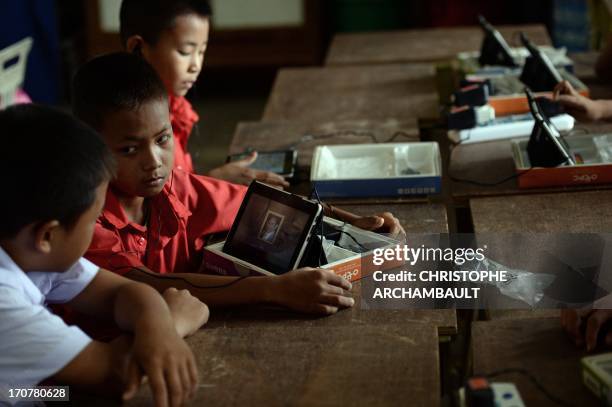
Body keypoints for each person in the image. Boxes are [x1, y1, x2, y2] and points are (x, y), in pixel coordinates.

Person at [72, 52, 404, 315]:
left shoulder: (174, 187)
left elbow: (257, 201)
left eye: (162, 139)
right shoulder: (84, 223)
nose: (154, 161)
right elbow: (148, 285)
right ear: (89, 146)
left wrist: (348, 223)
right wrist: (274, 289)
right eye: (129, 149)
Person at [0, 104, 209, 406]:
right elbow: (116, 377)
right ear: (47, 235)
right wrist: (174, 323)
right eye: (94, 219)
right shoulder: (5, 305)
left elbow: (124, 291)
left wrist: (157, 324)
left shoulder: (24, 244)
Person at [119, 0, 288, 188]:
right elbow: (155, 208)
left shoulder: (175, 105)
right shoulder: (131, 126)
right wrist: (214, 182)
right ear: (138, 47)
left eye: (201, 51)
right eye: (185, 52)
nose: (196, 65)